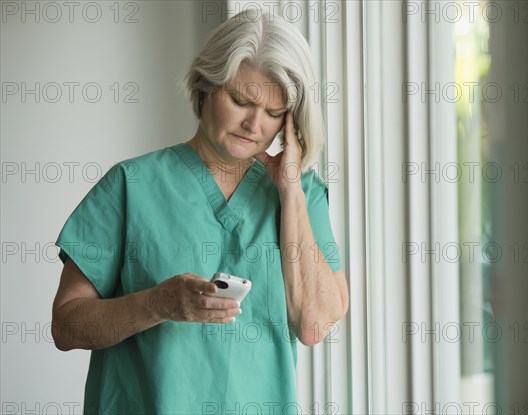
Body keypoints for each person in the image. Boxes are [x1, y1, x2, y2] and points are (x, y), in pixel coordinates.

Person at [51, 9, 349, 415]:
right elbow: (67, 326)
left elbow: (314, 325)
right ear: (206, 86)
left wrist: (291, 189)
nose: (254, 123)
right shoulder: (130, 185)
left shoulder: (303, 196)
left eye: (274, 113)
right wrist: (158, 304)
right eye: (241, 100)